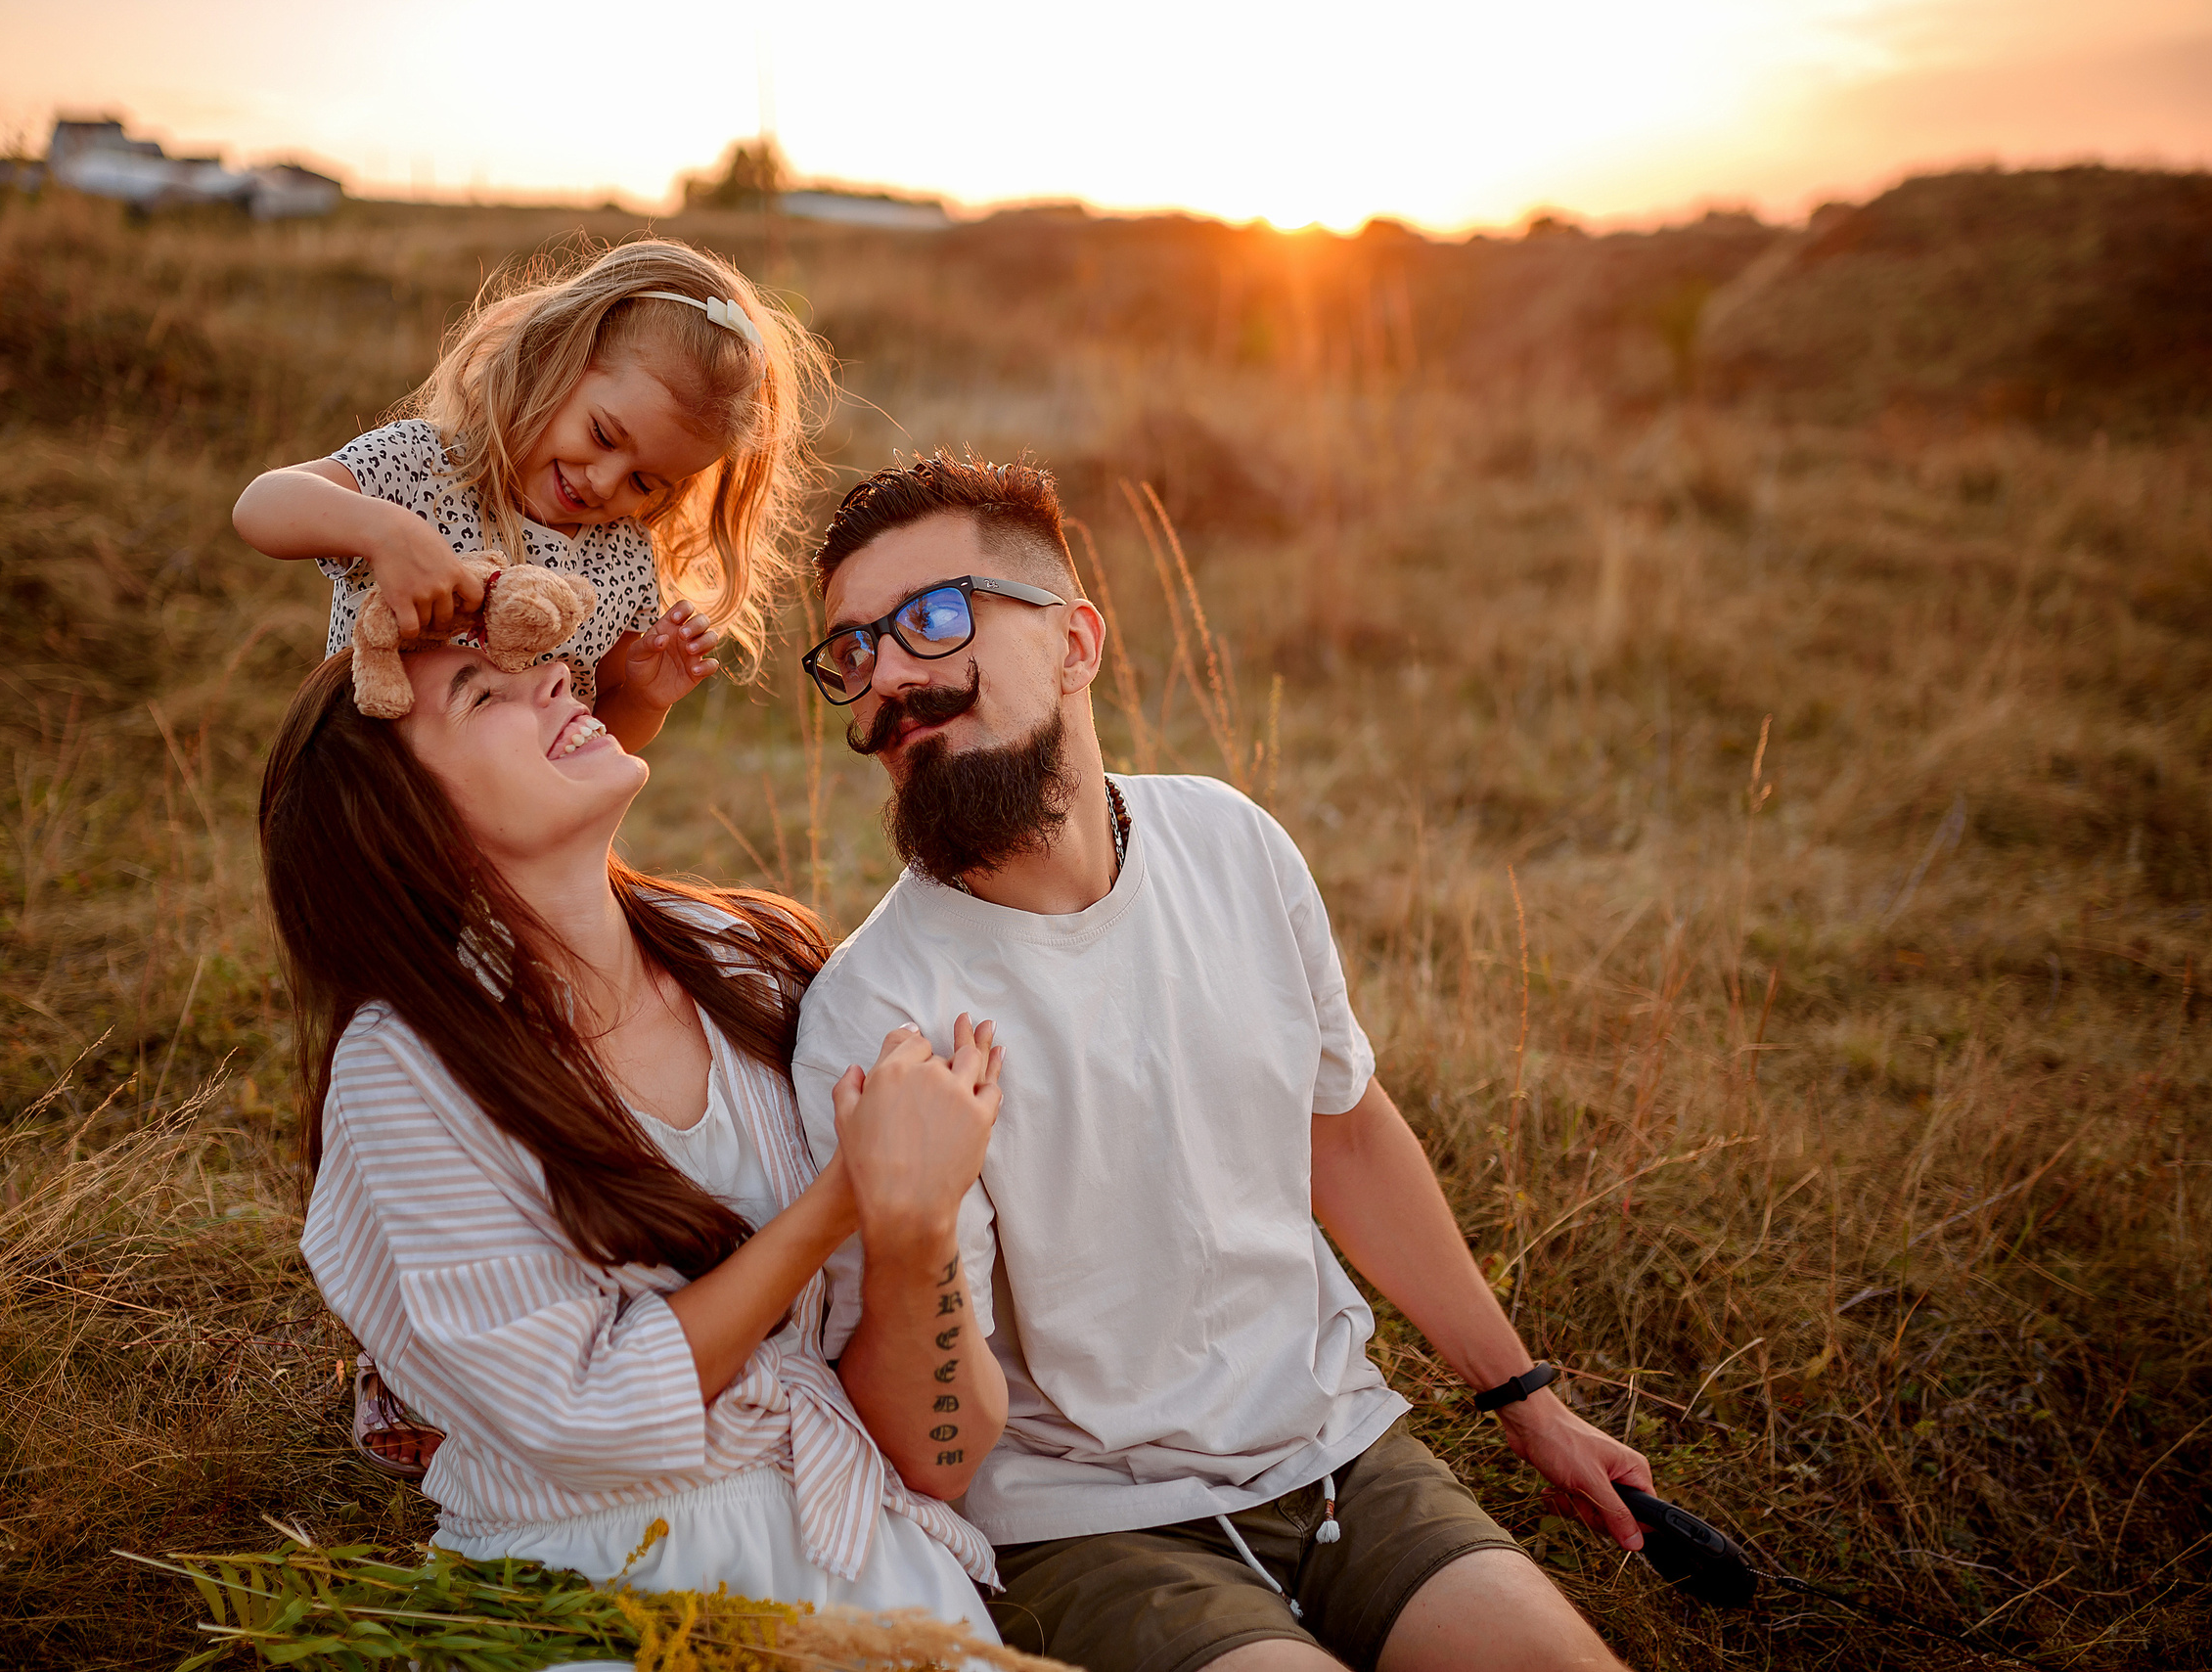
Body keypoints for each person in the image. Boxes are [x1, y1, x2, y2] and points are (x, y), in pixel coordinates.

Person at [790, 454, 1653, 1672]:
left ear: (1076, 641)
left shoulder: (1231, 840)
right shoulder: (875, 1017)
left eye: (933, 618)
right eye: (853, 651)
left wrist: (1527, 1400)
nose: (888, 679)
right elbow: (936, 1453)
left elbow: (1340, 1131)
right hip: (1085, 1532)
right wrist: (912, 1232)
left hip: (1340, 1456)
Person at [258, 640, 1004, 1629]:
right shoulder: (403, 1065)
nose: (559, 681)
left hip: (870, 1549)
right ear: (398, 819)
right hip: (602, 1572)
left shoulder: (750, 962)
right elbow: (582, 1414)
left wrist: (917, 1220)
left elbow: (938, 1442)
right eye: (484, 692)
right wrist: (839, 1201)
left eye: (543, 664)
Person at [234, 238, 827, 754]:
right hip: (369, 791)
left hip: (502, 833)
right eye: (602, 435)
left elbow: (594, 733)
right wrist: (383, 532)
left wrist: (645, 700)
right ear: (555, 358)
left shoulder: (621, 561)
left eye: (644, 483)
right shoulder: (422, 468)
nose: (603, 481)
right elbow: (261, 506)